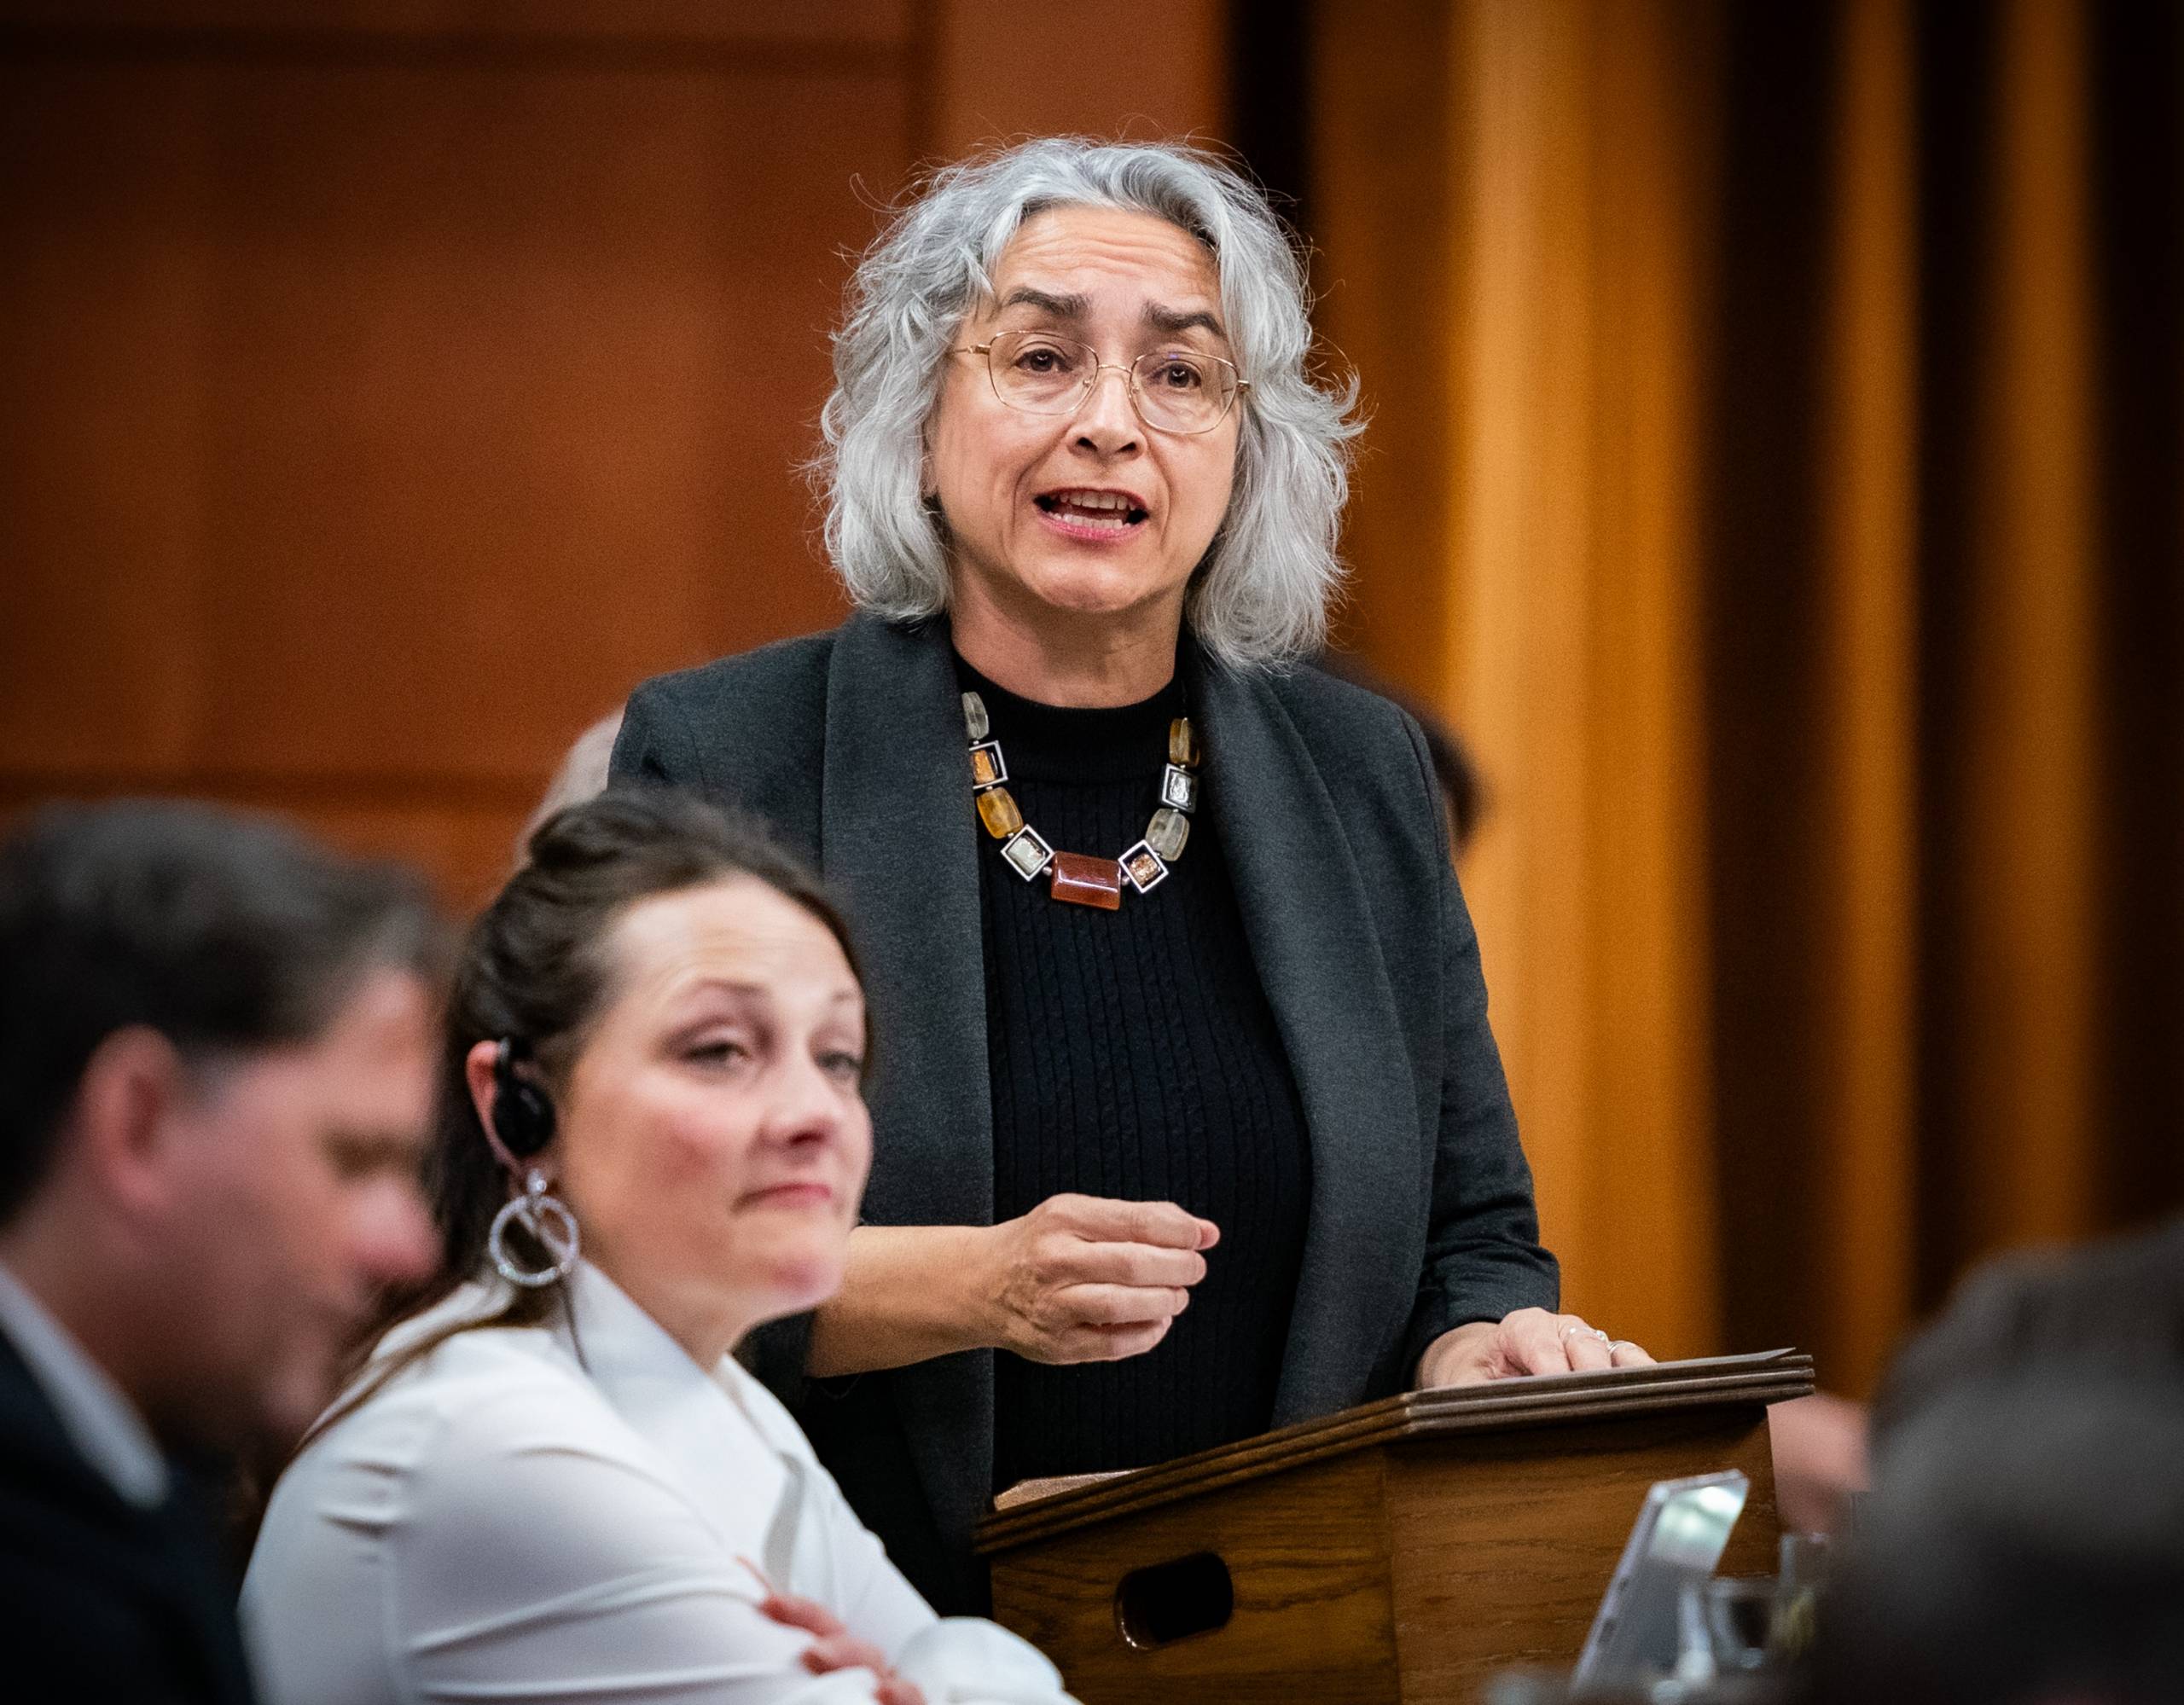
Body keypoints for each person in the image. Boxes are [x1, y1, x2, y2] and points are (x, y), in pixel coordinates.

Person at [611, 136, 1652, 1613]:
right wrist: (976, 1287)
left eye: (1180, 377)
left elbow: (1471, 1231)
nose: (1112, 425)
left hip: (1288, 1640)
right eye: (1040, 357)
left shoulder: (1357, 769)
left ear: (1247, 447)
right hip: (859, 1637)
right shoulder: (729, 756)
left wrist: (1476, 1340)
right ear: (916, 419)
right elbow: (635, 1259)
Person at [243, 789, 1073, 1705]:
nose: (815, 1114)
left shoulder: (723, 1403)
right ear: (518, 1107)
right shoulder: (491, 1441)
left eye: (836, 1055)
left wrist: (947, 1672)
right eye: (718, 1049)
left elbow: (955, 1653)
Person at [0, 800, 444, 1704]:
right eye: (354, 1160)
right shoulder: (37, 1585)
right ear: (140, 1121)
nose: (410, 1248)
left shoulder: (137, 1476)